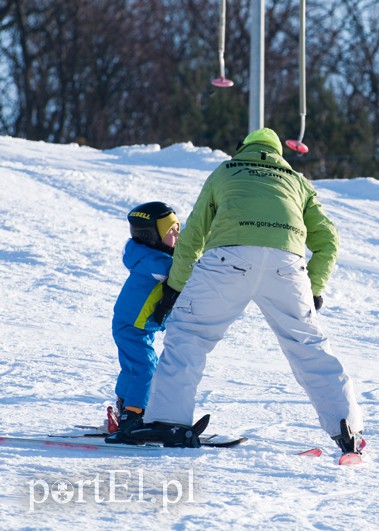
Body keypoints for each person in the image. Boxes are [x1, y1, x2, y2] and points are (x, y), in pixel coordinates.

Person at [107, 127, 365, 453]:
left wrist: (175, 289)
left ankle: (168, 420)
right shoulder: (297, 181)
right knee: (309, 346)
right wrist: (312, 290)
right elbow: (328, 240)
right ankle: (348, 429)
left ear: (241, 149)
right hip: (287, 264)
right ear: (278, 154)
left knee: (189, 335)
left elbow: (193, 235)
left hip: (228, 257)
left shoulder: (225, 172)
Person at [108, 202, 180, 435]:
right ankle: (134, 414)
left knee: (132, 368)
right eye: (172, 231)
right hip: (131, 326)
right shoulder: (155, 262)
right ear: (151, 236)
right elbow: (177, 273)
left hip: (136, 325)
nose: (178, 235)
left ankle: (123, 407)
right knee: (146, 368)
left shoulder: (146, 254)